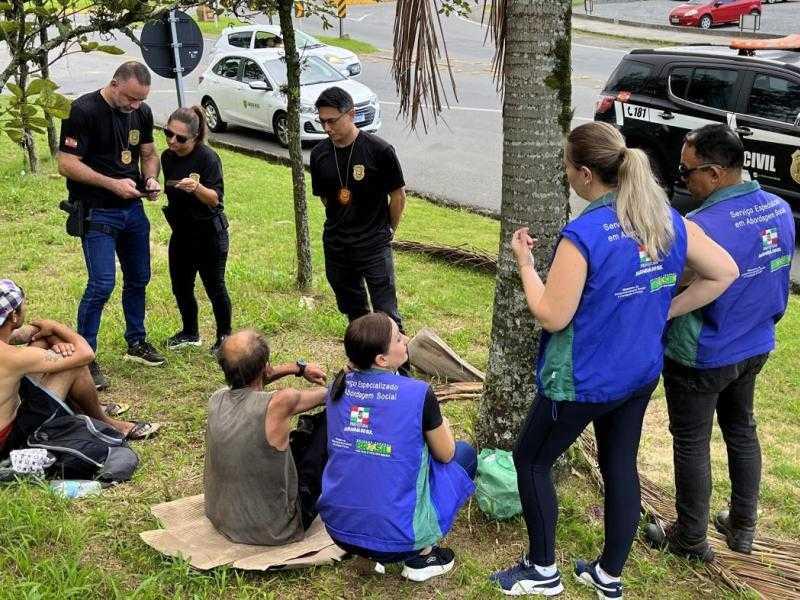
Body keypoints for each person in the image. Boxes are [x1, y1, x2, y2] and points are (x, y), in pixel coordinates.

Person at [490, 122, 739, 598]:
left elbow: (552, 315)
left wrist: (524, 262)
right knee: (619, 465)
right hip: (639, 371)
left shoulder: (583, 234)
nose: (566, 175)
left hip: (582, 379)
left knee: (530, 460)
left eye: (566, 167)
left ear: (585, 174)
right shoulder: (663, 217)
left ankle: (542, 569)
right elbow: (723, 271)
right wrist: (664, 307)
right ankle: (608, 575)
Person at [644, 125, 795, 561]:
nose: (681, 179)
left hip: (702, 353)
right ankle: (743, 526)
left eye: (686, 171)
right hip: (755, 345)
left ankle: (690, 538)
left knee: (691, 441)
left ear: (713, 173)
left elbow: (677, 285)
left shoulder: (700, 226)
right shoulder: (779, 209)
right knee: (741, 430)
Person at [316, 312, 476, 582]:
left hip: (340, 531)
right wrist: (444, 423)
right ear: (381, 359)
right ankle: (422, 555)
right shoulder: (418, 393)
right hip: (400, 540)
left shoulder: (337, 388)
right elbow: (446, 454)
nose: (406, 340)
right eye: (399, 338)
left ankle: (367, 556)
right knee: (465, 455)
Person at [58, 60, 165, 392]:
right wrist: (111, 184)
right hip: (97, 211)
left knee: (139, 278)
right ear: (115, 84)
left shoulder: (141, 113)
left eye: (141, 100)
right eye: (131, 98)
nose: (135, 106)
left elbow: (149, 152)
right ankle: (85, 356)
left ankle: (137, 340)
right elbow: (66, 164)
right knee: (101, 285)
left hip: (132, 211)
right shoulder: (83, 110)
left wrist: (150, 179)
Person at [0, 279, 159, 459]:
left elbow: (28, 333)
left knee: (43, 340)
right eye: (23, 304)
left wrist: (52, 337)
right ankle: (107, 422)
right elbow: (85, 353)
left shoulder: (9, 348)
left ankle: (84, 406)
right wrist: (56, 326)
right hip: (8, 443)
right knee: (75, 365)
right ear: (13, 316)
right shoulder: (13, 357)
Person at [204, 329, 328, 545]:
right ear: (265, 366)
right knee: (326, 422)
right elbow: (329, 394)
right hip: (276, 529)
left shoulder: (216, 400)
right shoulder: (280, 403)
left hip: (222, 518)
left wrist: (298, 369)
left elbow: (251, 381)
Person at [309, 87, 407, 330]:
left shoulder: (379, 151)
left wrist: (388, 230)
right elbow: (325, 198)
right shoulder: (319, 154)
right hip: (337, 245)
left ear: (351, 114)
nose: (327, 128)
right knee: (354, 312)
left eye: (332, 121)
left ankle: (398, 367)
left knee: (387, 315)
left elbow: (398, 196)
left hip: (373, 244)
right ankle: (364, 364)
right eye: (322, 121)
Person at [160, 106, 231, 355]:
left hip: (209, 234)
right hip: (181, 232)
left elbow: (215, 199)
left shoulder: (208, 158)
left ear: (195, 137)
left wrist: (197, 188)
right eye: (168, 133)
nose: (172, 141)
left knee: (215, 286)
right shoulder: (167, 157)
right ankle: (190, 332)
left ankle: (224, 337)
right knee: (180, 286)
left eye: (180, 138)